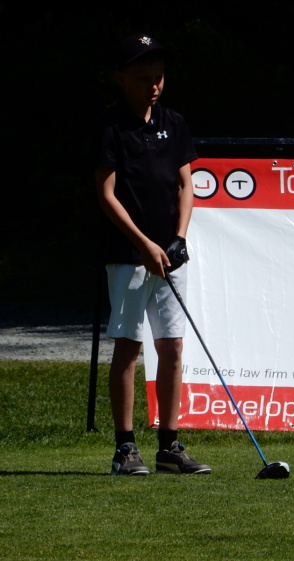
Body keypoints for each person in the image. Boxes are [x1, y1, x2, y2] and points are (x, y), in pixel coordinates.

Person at [93, 33, 210, 475]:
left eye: (159, 77)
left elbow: (186, 184)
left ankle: (169, 446)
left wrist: (179, 237)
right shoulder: (111, 127)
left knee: (173, 345)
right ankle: (125, 449)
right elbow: (106, 194)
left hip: (171, 254)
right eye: (143, 78)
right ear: (121, 78)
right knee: (129, 346)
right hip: (129, 254)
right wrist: (144, 244)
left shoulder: (174, 123)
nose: (154, 85)